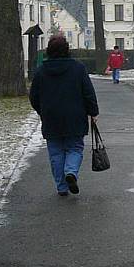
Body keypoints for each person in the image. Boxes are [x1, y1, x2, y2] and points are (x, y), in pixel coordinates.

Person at [29, 35, 99, 196]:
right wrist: (93, 112)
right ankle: (71, 172)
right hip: (75, 116)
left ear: (49, 51)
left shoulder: (41, 71)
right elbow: (88, 92)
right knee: (75, 148)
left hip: (51, 117)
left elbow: (34, 96)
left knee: (56, 153)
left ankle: (61, 187)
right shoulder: (78, 68)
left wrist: (42, 111)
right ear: (67, 50)